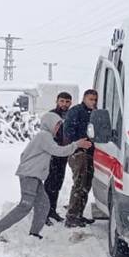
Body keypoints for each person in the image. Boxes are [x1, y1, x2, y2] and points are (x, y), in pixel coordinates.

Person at [0, 112, 90, 241]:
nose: (58, 128)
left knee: (43, 204)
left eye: (59, 125)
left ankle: (34, 234)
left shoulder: (44, 137)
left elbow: (24, 155)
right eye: (56, 124)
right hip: (30, 175)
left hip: (33, 175)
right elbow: (58, 151)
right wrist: (76, 145)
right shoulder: (43, 136)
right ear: (49, 124)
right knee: (25, 205)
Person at [62, 90, 98, 228]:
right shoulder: (75, 111)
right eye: (91, 99)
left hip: (90, 153)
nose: (93, 102)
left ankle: (79, 214)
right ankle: (71, 217)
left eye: (95, 99)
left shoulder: (95, 113)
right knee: (79, 184)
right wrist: (78, 143)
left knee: (86, 185)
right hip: (78, 153)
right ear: (84, 98)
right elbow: (68, 130)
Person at [43, 92, 73, 224]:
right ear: (57, 101)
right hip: (52, 154)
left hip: (64, 154)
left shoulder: (71, 115)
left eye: (67, 102)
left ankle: (52, 210)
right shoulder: (51, 115)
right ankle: (44, 213)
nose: (64, 104)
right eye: (62, 101)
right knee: (49, 184)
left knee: (58, 183)